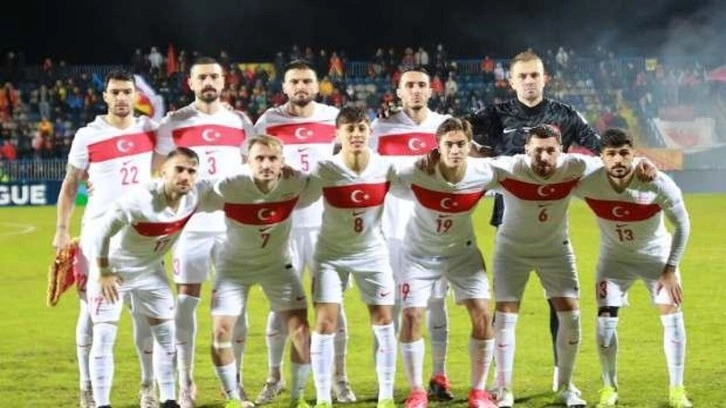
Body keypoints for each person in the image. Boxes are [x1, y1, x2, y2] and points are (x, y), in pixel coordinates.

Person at [466, 49, 601, 391]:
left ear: (545, 78)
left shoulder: (565, 114)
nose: (529, 81)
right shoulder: (496, 114)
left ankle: (561, 374)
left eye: (534, 75)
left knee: (559, 302)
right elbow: (458, 132)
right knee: (507, 302)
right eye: (522, 76)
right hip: (509, 215)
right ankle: (500, 381)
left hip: (550, 214)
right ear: (511, 81)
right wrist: (480, 152)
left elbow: (599, 146)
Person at [52, 69, 163, 408]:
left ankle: (148, 387)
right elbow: (71, 184)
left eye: (127, 91)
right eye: (115, 92)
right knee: (90, 312)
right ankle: (86, 386)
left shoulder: (150, 130)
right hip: (97, 235)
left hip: (140, 236)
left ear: (135, 95)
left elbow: (167, 164)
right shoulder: (87, 135)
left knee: (144, 314)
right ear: (105, 96)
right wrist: (61, 230)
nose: (121, 97)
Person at [155, 56, 255, 407]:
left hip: (231, 227)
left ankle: (235, 383)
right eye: (202, 77)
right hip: (190, 226)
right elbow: (157, 171)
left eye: (214, 76)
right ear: (191, 83)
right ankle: (185, 382)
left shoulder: (240, 121)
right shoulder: (174, 122)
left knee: (237, 308)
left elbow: (253, 169)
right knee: (185, 304)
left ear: (224, 81)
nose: (209, 82)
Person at [254, 60, 354, 404]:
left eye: (306, 81)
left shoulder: (333, 118)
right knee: (280, 306)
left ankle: (340, 379)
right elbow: (253, 167)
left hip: (328, 227)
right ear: (284, 87)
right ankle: (274, 377)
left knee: (333, 304)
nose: (301, 86)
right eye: (294, 81)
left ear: (317, 85)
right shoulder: (268, 122)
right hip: (284, 228)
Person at [87, 147, 215, 408]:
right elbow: (101, 232)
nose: (185, 176)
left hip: (151, 271)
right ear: (163, 171)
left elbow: (233, 181)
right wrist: (103, 271)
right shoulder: (139, 201)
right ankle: (101, 404)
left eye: (191, 171)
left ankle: (169, 400)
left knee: (167, 334)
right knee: (104, 336)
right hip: (114, 272)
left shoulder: (195, 194)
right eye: (179, 169)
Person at [574, 129, 692, 408]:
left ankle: (677, 389)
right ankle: (609, 388)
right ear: (601, 157)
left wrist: (670, 269)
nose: (618, 159)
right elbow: (555, 178)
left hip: (657, 260)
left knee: (672, 316)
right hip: (614, 261)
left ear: (633, 154)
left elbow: (683, 225)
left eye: (624, 153)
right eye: (611, 154)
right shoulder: (589, 182)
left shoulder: (657, 183)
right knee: (605, 323)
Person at [488, 125, 598, 408]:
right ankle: (504, 388)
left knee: (571, 316)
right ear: (526, 150)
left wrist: (643, 164)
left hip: (555, 251)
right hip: (512, 252)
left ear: (561, 150)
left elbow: (613, 163)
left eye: (550, 150)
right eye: (537, 150)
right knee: (505, 318)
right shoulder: (509, 168)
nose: (544, 157)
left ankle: (565, 387)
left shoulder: (575, 166)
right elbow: (468, 170)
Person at [394, 118, 498, 408]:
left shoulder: (484, 172)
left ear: (469, 145)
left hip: (462, 254)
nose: (455, 149)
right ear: (437, 147)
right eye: (449, 144)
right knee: (412, 316)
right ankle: (417, 392)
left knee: (482, 314)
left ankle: (478, 392)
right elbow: (380, 173)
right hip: (419, 255)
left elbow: (520, 167)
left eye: (461, 144)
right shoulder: (416, 171)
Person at [209, 135, 318, 408]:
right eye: (259, 158)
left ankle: (298, 399)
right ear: (248, 161)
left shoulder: (295, 182)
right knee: (221, 332)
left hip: (276, 265)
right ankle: (233, 400)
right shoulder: (230, 185)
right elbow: (196, 196)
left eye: (272, 158)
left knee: (301, 330)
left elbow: (320, 183)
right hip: (234, 268)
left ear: (282, 162)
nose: (266, 164)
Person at [369, 67, 454, 401]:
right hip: (392, 233)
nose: (416, 90)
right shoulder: (380, 128)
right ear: (399, 92)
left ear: (431, 91)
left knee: (436, 303)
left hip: (435, 233)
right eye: (410, 85)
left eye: (422, 85)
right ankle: (387, 383)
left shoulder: (444, 126)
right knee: (390, 306)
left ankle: (439, 375)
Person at [309, 106, 397, 408]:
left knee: (384, 320)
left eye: (361, 128)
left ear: (370, 132)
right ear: (338, 134)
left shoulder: (386, 167)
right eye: (350, 129)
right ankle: (323, 397)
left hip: (372, 253)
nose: (356, 134)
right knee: (325, 322)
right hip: (330, 255)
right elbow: (296, 193)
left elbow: (418, 183)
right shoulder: (324, 168)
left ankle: (386, 396)